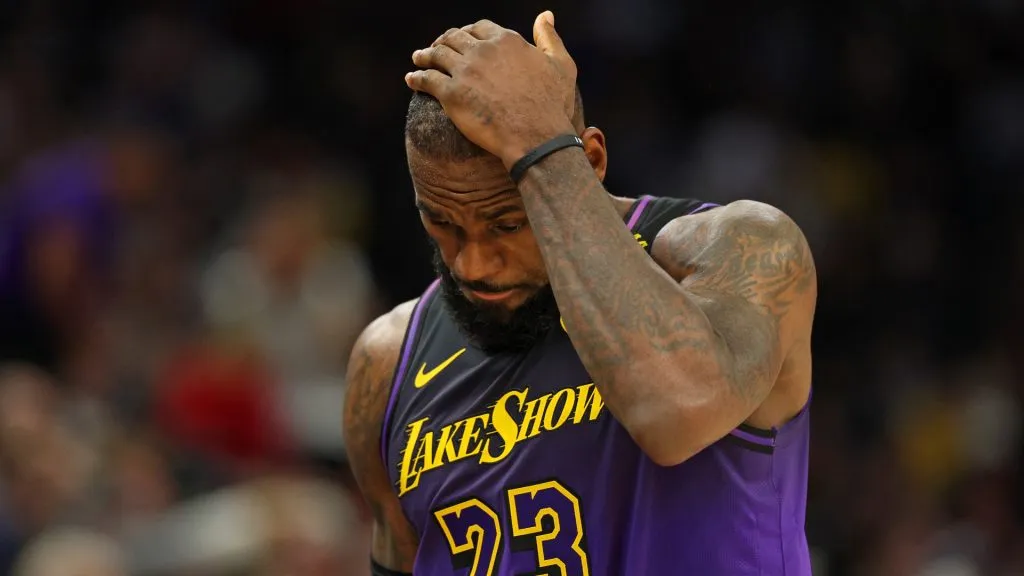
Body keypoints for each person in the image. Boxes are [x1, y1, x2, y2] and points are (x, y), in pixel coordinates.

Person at [343, 11, 817, 576]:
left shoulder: (744, 248)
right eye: (442, 223)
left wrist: (540, 143)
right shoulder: (387, 360)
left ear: (587, 161)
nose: (473, 264)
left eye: (507, 224)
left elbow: (678, 415)